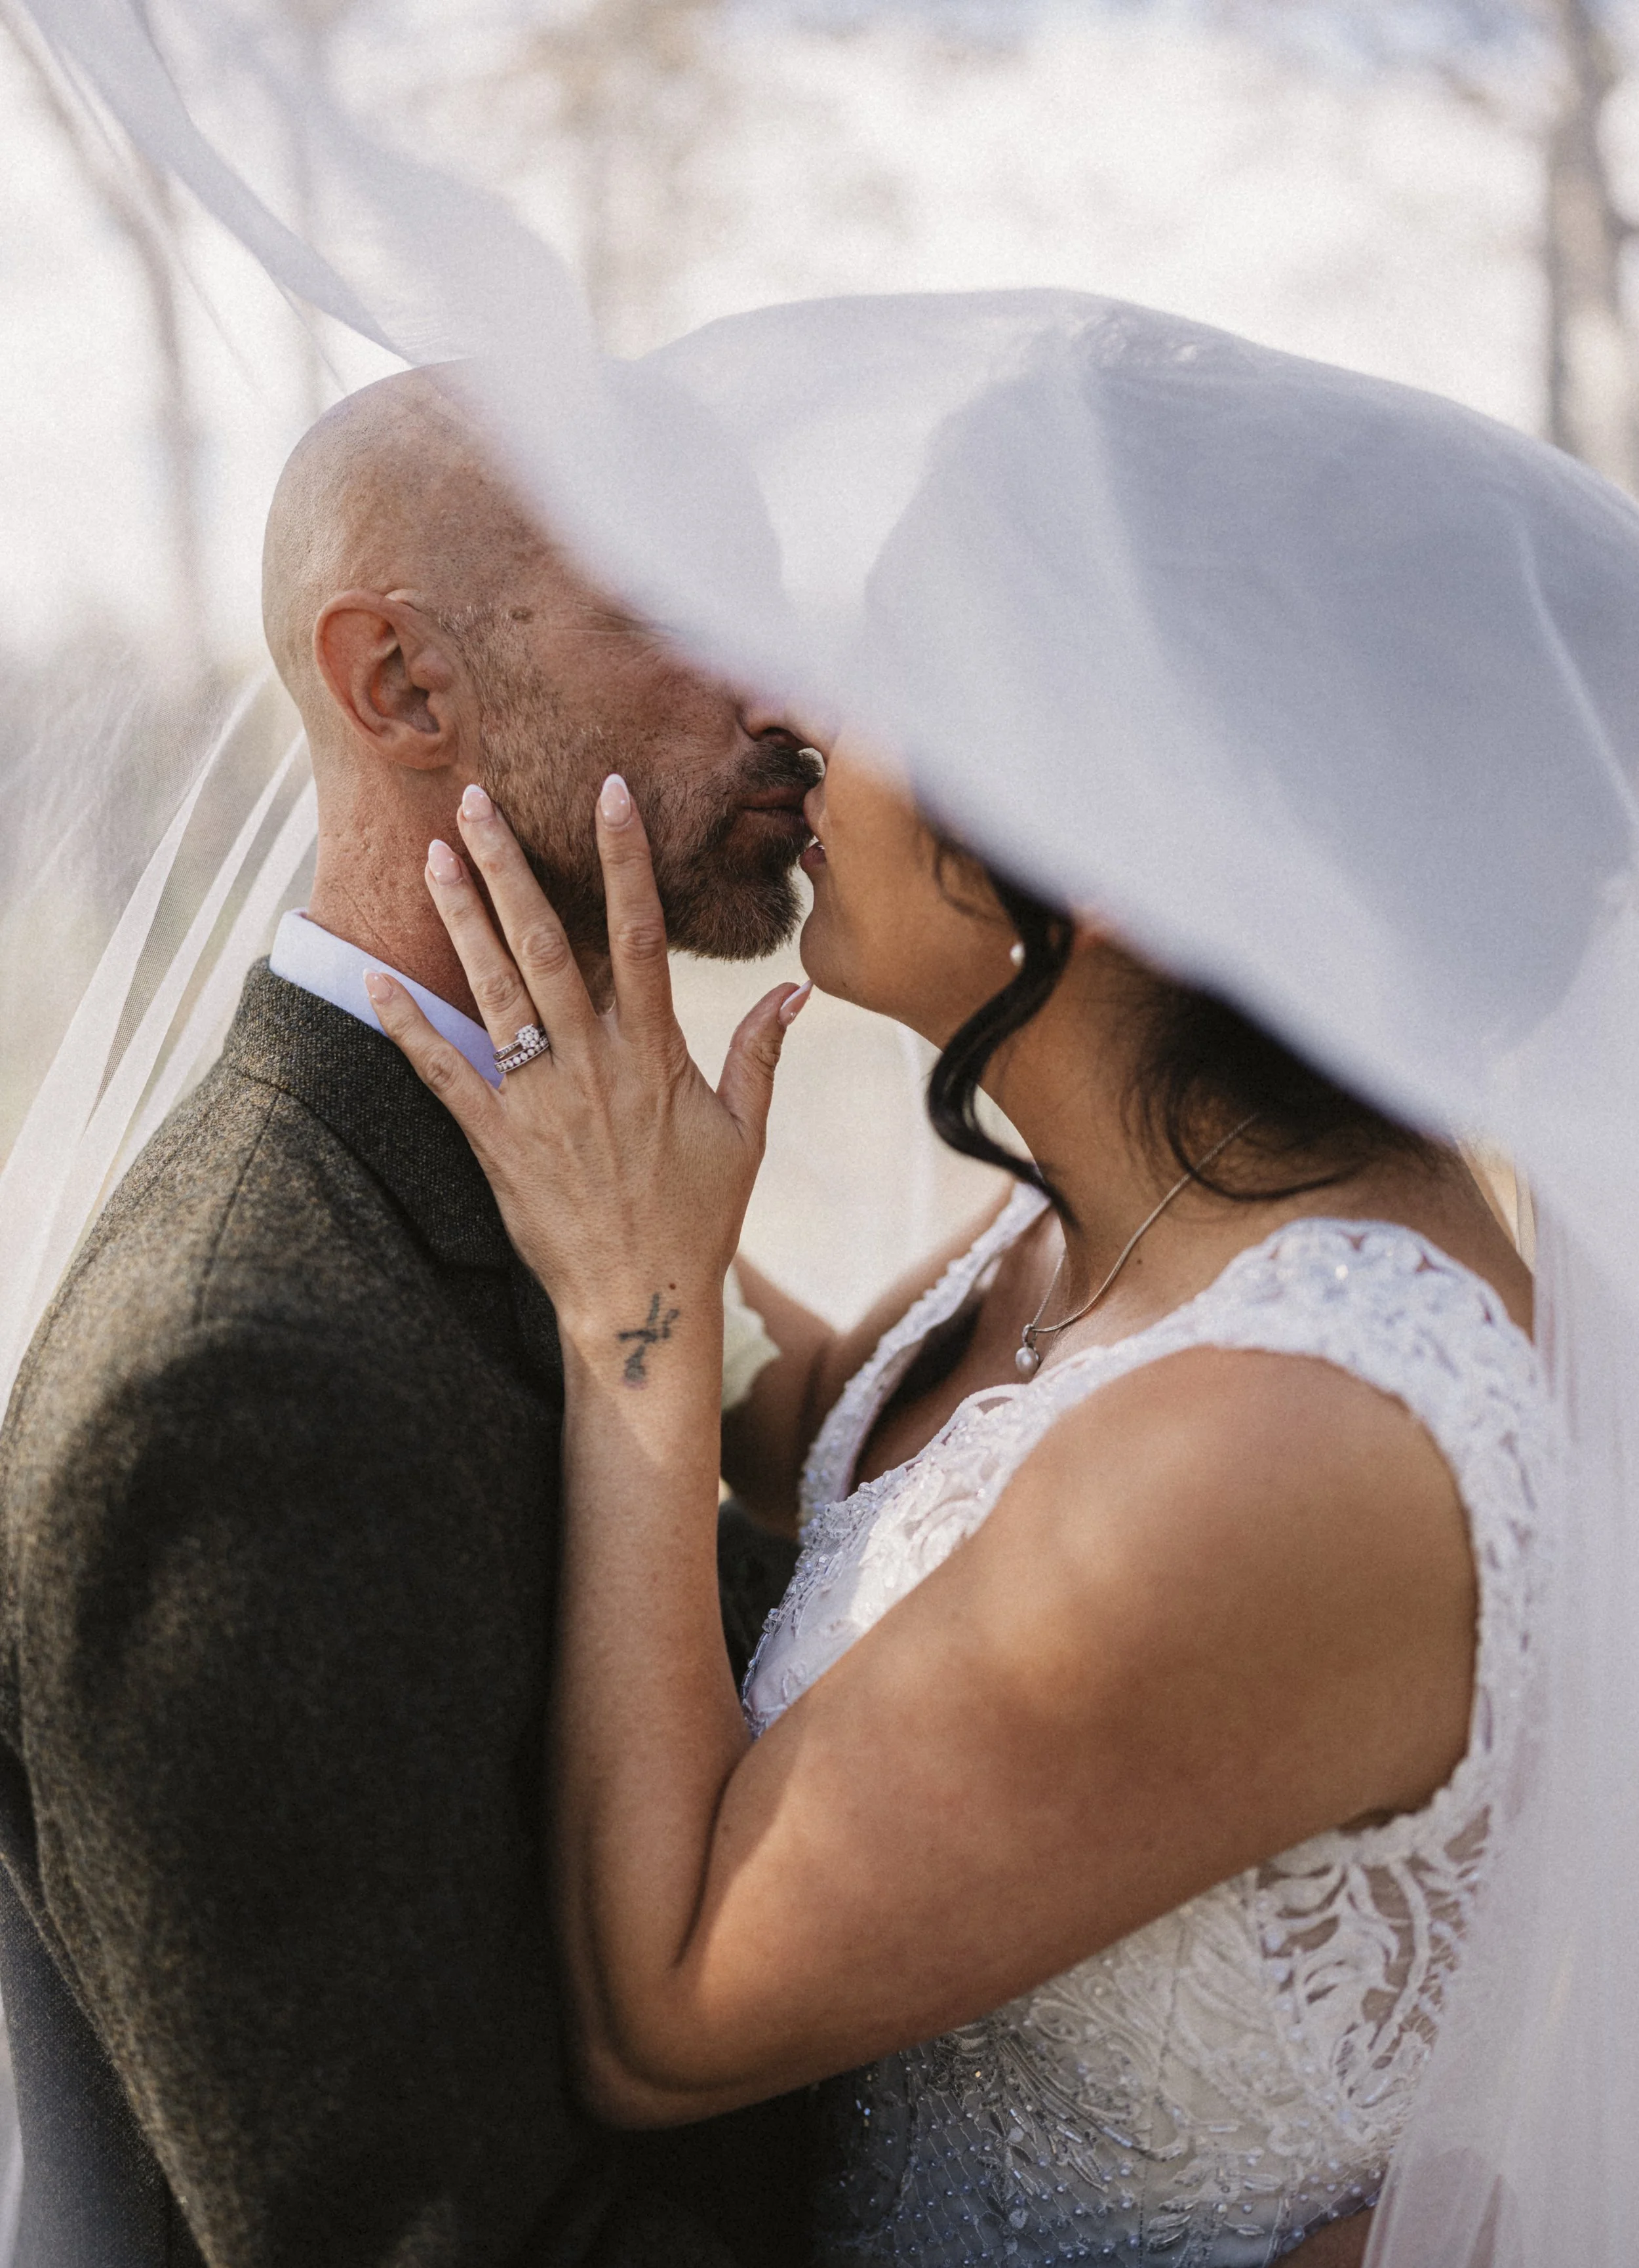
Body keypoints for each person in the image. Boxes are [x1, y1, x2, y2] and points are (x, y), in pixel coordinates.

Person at [372, 732, 1551, 2268]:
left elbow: (663, 2008)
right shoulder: (1137, 1206)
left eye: (889, 670)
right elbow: (843, 1440)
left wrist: (631, 1319)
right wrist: (600, 1174)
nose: (803, 724)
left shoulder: (1280, 1443)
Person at [0, 369, 820, 2268]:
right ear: (399, 686)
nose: (794, 704)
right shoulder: (239, 1382)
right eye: (693, 608)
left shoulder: (578, 1202)